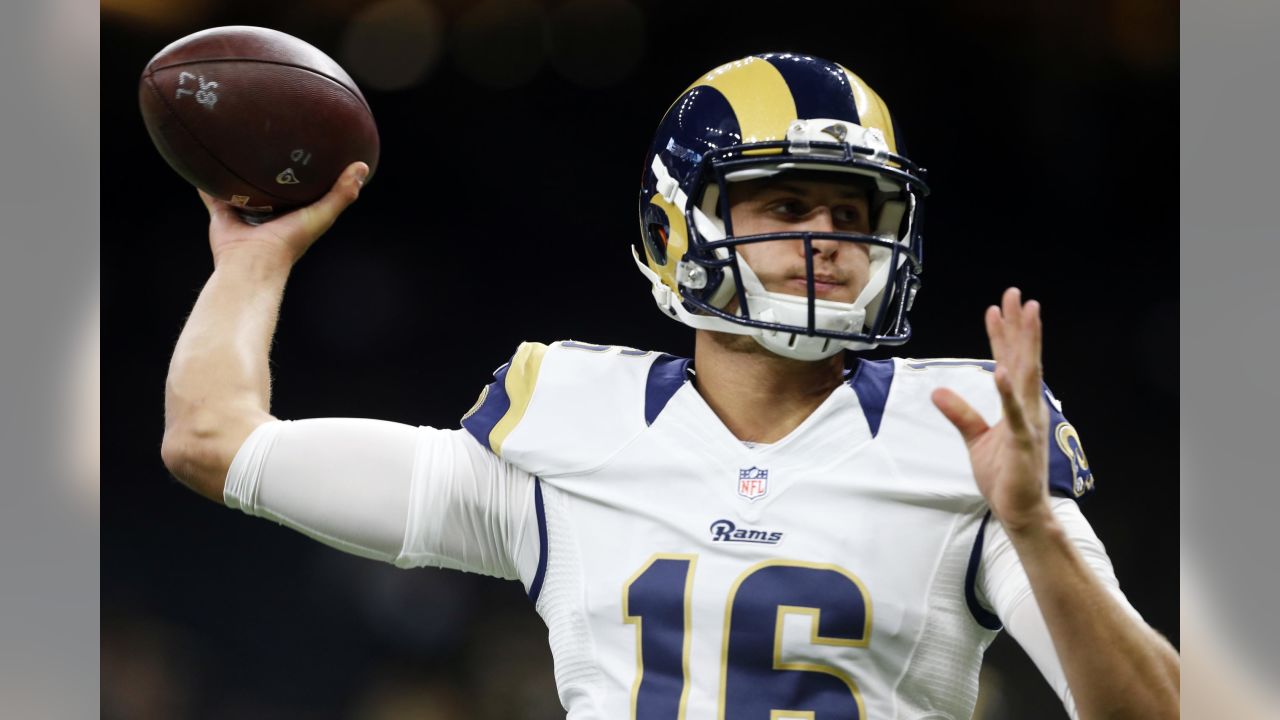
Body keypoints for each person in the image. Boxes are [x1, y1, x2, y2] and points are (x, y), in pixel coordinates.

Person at [161, 53, 1178, 719]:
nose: (823, 240)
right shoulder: (560, 440)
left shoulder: (960, 441)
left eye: (851, 214)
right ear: (671, 229)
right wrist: (253, 261)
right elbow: (213, 441)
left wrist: (1034, 531)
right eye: (784, 203)